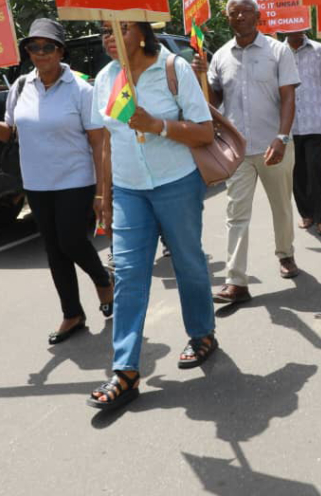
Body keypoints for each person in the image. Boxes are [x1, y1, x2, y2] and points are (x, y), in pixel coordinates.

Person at [86, 20, 218, 411]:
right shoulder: (105, 78)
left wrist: (157, 125)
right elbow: (108, 140)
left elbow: (206, 131)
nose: (111, 37)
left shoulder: (172, 68)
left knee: (188, 262)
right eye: (105, 31)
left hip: (177, 183)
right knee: (127, 273)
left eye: (121, 29)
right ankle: (125, 370)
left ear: (142, 34)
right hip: (129, 191)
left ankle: (202, 333)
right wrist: (104, 194)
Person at [0, 18, 113, 345]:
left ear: (60, 50)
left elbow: (99, 142)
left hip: (75, 179)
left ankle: (103, 280)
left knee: (71, 241)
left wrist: (102, 193)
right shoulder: (20, 87)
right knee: (54, 249)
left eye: (47, 47)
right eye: (33, 47)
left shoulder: (81, 89)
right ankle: (72, 313)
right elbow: (10, 133)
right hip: (37, 183)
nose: (39, 53)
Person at [192, 0, 301, 304]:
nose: (238, 17)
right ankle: (236, 281)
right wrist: (200, 76)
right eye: (233, 13)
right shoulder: (220, 57)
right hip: (236, 151)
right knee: (236, 214)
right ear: (227, 19)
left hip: (273, 146)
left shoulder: (278, 51)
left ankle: (286, 254)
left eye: (244, 12)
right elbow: (212, 104)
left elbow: (289, 98)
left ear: (257, 16)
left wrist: (282, 137)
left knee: (281, 206)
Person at [285, 26, 321, 236]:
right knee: (296, 171)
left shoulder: (319, 51)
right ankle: (306, 213)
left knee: (315, 168)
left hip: (315, 123)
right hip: (288, 125)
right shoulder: (276, 53)